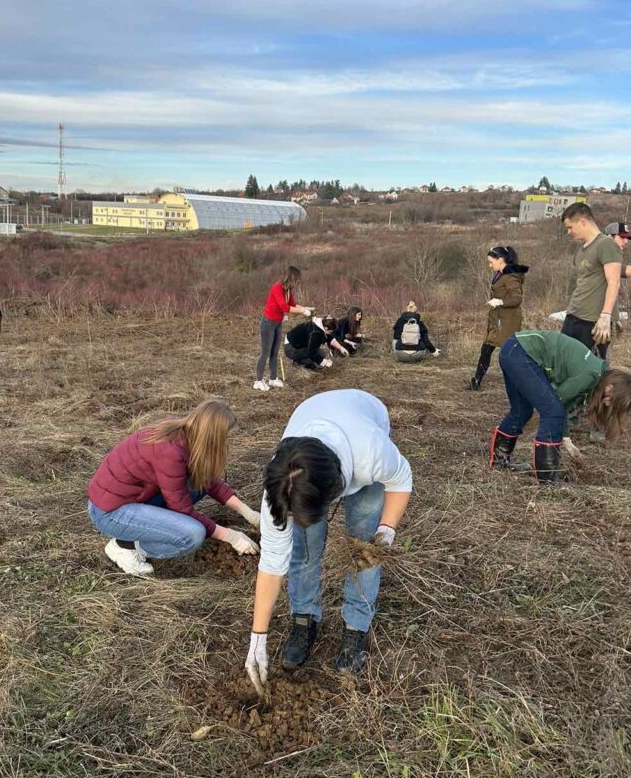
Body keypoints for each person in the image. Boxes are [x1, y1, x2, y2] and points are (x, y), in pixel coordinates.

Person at [245, 390, 412, 691]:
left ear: (335, 491)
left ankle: (356, 626)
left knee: (364, 546)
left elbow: (401, 480)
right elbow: (271, 564)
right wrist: (258, 638)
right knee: (304, 547)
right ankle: (304, 618)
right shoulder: (282, 482)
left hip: (364, 417)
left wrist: (386, 531)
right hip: (312, 413)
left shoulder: (372, 453)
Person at [87, 400, 260, 577]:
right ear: (213, 436)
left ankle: (139, 535)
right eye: (226, 437)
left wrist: (248, 513)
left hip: (132, 498)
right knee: (192, 535)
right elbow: (182, 509)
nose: (227, 442)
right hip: (110, 513)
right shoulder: (170, 451)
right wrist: (231, 536)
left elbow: (207, 480)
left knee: (198, 482)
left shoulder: (186, 434)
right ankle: (125, 547)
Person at [490, 330, 631, 484]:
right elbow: (556, 402)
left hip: (513, 349)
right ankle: (547, 480)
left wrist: (566, 438)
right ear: (610, 386)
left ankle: (500, 464)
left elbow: (562, 403)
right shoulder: (590, 375)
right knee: (552, 411)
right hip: (521, 353)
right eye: (612, 400)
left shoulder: (596, 375)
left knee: (522, 411)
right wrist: (561, 432)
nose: (608, 403)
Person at [560, 203, 622, 359]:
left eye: (570, 227)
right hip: (574, 316)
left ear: (582, 222)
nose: (569, 232)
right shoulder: (581, 250)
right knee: (565, 362)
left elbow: (614, 281)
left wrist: (607, 316)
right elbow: (585, 282)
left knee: (591, 370)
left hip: (592, 322)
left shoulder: (606, 244)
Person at [466, 246, 529, 391]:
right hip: (497, 319)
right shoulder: (500, 274)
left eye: (491, 262)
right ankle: (476, 381)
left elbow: (517, 299)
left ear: (500, 260)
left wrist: (500, 301)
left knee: (510, 353)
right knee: (486, 350)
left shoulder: (510, 276)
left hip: (507, 321)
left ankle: (524, 382)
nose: (489, 265)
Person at [255, 266, 313, 391]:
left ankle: (273, 378)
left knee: (274, 352)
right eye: (297, 280)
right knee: (265, 353)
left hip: (277, 323)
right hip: (268, 323)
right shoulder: (277, 288)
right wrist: (302, 311)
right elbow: (284, 307)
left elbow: (292, 304)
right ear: (291, 278)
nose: (298, 282)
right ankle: (258, 381)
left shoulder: (288, 290)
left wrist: (305, 308)